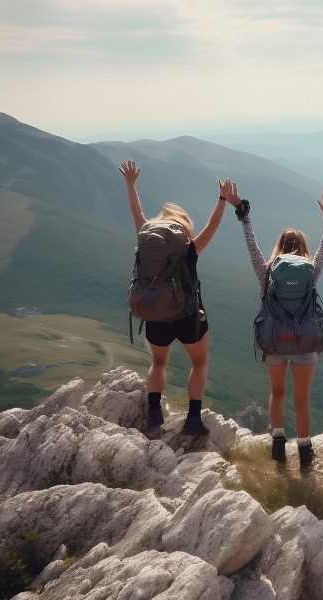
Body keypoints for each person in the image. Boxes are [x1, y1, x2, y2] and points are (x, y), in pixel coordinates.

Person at [221, 179, 323, 468]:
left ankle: (278, 445)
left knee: (278, 393)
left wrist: (243, 214)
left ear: (280, 247)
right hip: (306, 342)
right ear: (303, 248)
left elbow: (252, 245)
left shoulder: (267, 271)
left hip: (273, 342)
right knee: (302, 401)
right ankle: (306, 452)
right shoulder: (312, 271)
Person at [120, 160, 227, 436]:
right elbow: (213, 225)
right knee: (199, 362)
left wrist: (131, 184)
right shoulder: (190, 249)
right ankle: (193, 419)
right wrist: (223, 198)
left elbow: (135, 212)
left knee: (158, 362)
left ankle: (155, 415)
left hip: (155, 312)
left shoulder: (146, 238)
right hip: (187, 316)